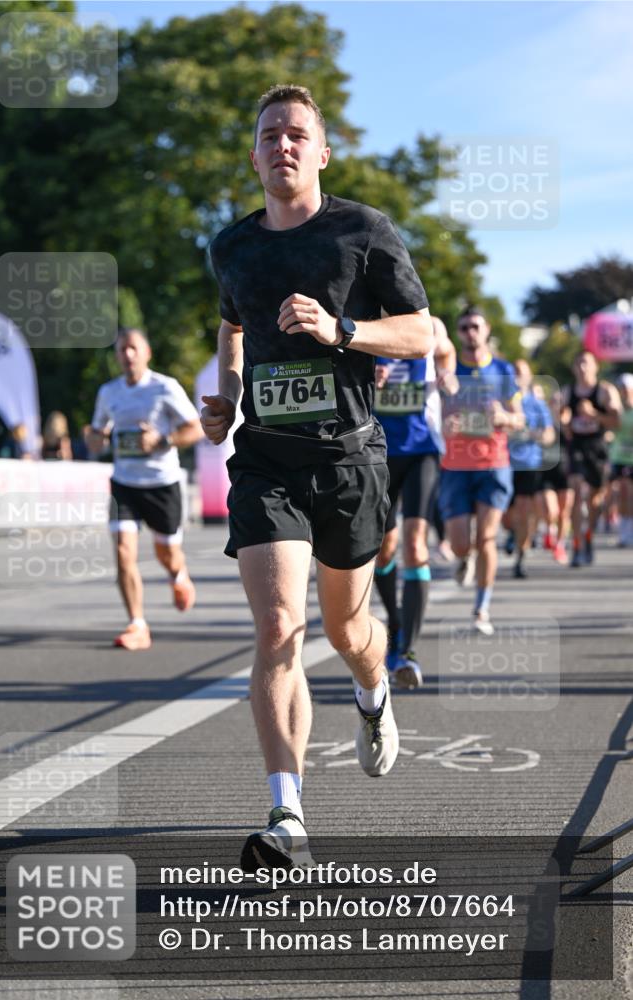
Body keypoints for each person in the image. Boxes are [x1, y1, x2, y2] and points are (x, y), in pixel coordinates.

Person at [201, 84, 432, 870]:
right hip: (266, 457)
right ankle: (286, 814)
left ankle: (373, 693)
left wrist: (344, 330)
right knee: (276, 630)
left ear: (320, 152)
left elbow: (422, 331)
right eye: (269, 135)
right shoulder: (231, 246)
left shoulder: (361, 230)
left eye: (297, 134)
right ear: (255, 152)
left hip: (348, 460)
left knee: (347, 632)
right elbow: (230, 325)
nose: (282, 145)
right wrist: (227, 393)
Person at [86, 327, 204, 650]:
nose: (128, 355)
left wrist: (162, 441)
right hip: (124, 482)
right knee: (124, 552)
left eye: (133, 348)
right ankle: (137, 624)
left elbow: (195, 429)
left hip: (162, 483)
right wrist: (94, 438)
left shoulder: (164, 387)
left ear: (146, 353)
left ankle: (178, 576)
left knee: (167, 554)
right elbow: (98, 433)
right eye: (122, 350)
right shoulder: (108, 393)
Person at [373, 315, 457, 688]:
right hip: (378, 449)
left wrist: (447, 372)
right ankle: (394, 621)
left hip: (423, 447)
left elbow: (447, 350)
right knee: (384, 549)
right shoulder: (361, 317)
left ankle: (407, 649)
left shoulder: (428, 322)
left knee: (415, 543)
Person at [439, 306, 524, 635]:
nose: (470, 332)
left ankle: (481, 608)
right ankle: (464, 558)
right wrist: (445, 424)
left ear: (487, 329)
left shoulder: (503, 370)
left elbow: (520, 420)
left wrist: (505, 418)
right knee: (461, 543)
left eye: (475, 326)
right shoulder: (448, 370)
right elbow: (433, 416)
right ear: (458, 333)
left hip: (493, 464)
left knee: (487, 537)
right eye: (464, 328)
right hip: (455, 466)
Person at [561, 350, 621, 567]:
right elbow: (563, 423)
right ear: (574, 368)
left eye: (586, 363)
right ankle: (576, 545)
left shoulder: (605, 391)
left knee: (595, 500)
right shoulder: (568, 392)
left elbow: (617, 422)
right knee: (576, 493)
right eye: (578, 364)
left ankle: (588, 536)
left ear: (596, 366)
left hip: (597, 447)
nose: (582, 368)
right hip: (576, 446)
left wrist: (594, 415)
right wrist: (563, 420)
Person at [506, 361, 554, 579]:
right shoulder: (502, 401)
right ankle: (512, 532)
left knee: (524, 510)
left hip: (528, 463)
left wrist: (539, 435)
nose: (517, 377)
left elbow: (550, 434)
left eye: (521, 373)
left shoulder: (537, 404)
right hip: (501, 462)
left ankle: (520, 556)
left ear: (529, 377)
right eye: (513, 373)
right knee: (504, 514)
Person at [537, 387, 572, 565]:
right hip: (547, 470)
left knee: (564, 512)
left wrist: (566, 424)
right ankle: (549, 530)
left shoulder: (569, 423)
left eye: (560, 402)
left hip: (566, 470)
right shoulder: (545, 421)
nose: (557, 405)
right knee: (552, 510)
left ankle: (560, 544)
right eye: (554, 401)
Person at [610, 372, 633, 547]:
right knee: (623, 493)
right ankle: (625, 531)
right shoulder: (616, 410)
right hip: (620, 456)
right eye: (622, 389)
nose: (625, 392)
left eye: (627, 388)